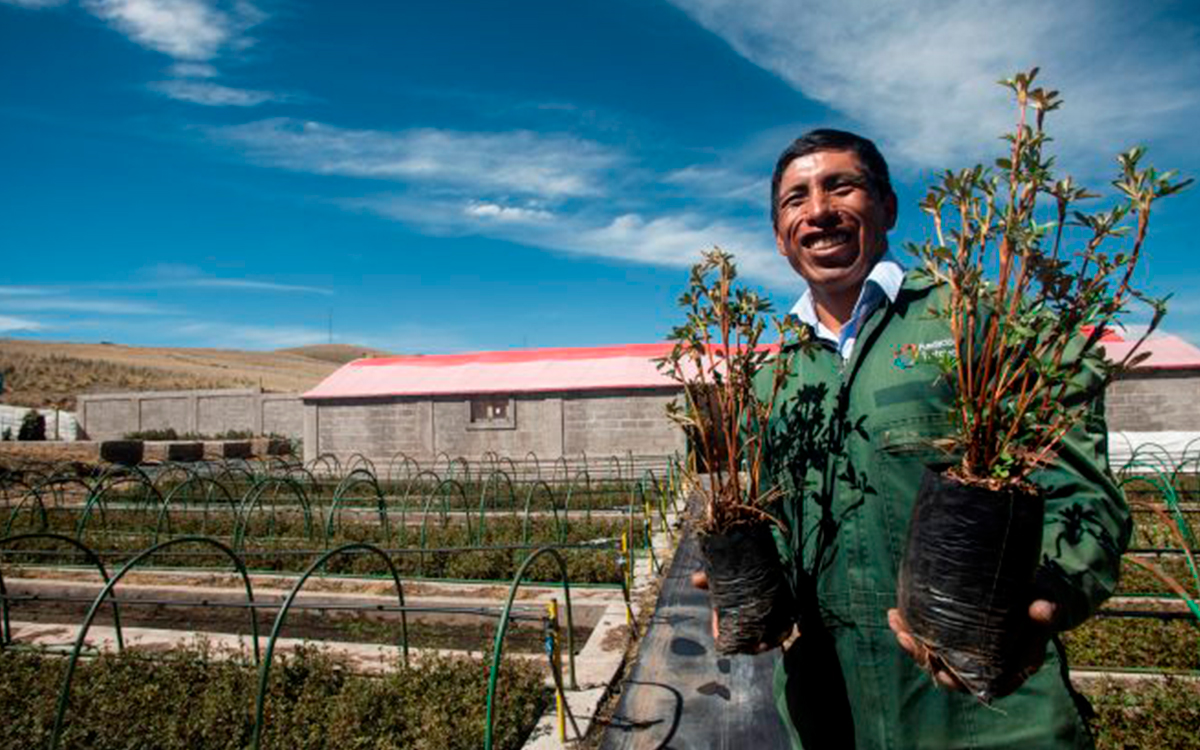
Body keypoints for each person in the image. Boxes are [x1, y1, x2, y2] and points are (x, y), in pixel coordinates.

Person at [700, 129, 1130, 748]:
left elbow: (1084, 499)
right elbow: (779, 528)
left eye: (840, 186)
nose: (818, 211)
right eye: (796, 199)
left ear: (889, 208)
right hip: (829, 715)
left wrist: (1051, 596)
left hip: (991, 716)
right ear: (779, 232)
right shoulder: (771, 379)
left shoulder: (980, 322)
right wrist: (749, 589)